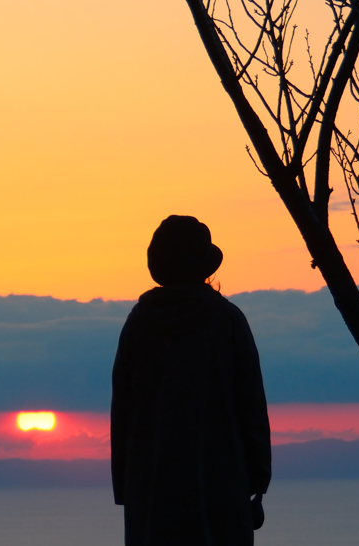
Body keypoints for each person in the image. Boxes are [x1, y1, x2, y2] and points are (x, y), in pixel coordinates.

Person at [111, 215, 272, 545]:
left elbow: (122, 412)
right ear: (204, 267)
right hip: (220, 483)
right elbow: (251, 405)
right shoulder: (227, 320)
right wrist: (257, 480)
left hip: (151, 490)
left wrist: (126, 486)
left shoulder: (137, 324)